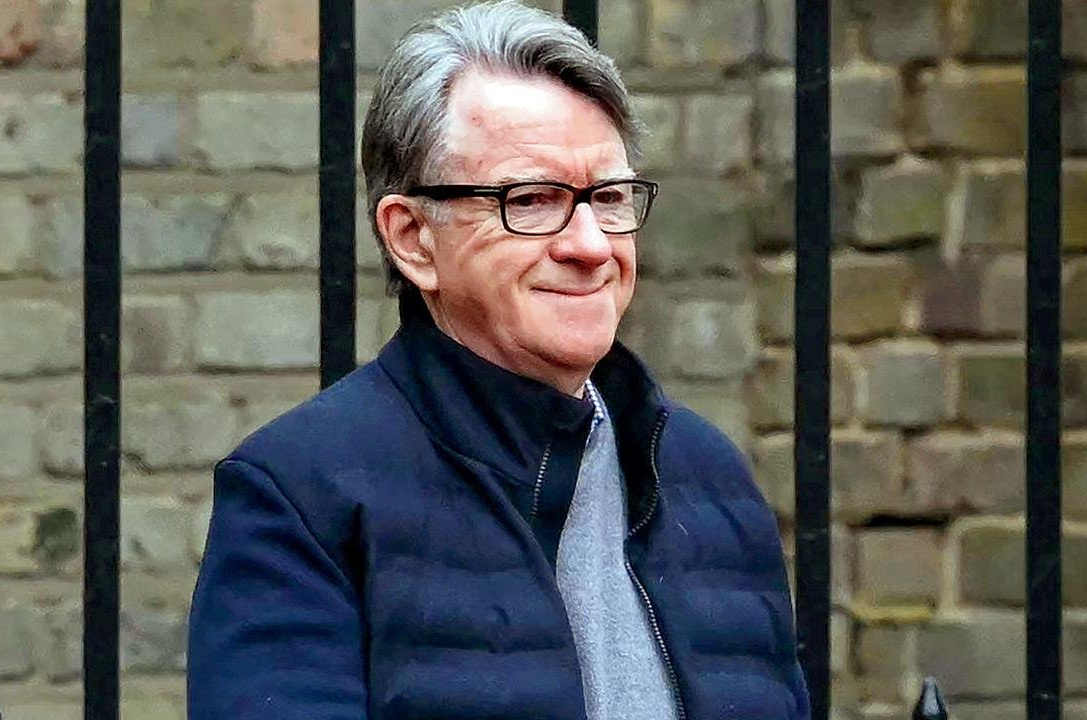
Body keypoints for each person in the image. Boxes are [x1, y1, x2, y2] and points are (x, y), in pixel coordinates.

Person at [187, 2, 809, 719]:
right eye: (533, 199)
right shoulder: (303, 494)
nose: (590, 245)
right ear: (413, 237)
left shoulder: (709, 479)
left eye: (609, 197)